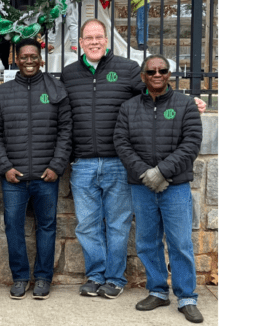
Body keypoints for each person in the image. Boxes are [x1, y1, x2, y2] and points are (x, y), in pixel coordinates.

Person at [61, 19, 206, 300]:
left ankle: (115, 278)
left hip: (118, 161)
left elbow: (157, 89)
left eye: (99, 37)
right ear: (81, 42)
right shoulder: (69, 74)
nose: (94, 42)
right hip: (83, 163)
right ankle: (95, 275)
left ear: (106, 40)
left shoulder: (127, 69)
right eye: (88, 38)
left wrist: (191, 100)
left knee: (118, 224)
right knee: (87, 225)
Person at [113, 54, 204, 323]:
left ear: (169, 75)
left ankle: (186, 297)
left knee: (180, 243)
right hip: (142, 187)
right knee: (147, 242)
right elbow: (121, 142)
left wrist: (162, 172)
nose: (156, 74)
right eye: (151, 71)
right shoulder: (129, 107)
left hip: (174, 187)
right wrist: (145, 174)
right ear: (143, 76)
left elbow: (191, 144)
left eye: (162, 70)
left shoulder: (185, 105)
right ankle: (157, 291)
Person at [0, 38, 72, 300]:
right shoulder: (3, 92)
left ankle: (44, 278)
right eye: (23, 56)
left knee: (47, 226)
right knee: (13, 227)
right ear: (16, 58)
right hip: (14, 177)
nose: (28, 61)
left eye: (33, 56)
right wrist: (5, 167)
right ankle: (20, 277)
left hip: (47, 176)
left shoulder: (56, 89)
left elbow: (66, 131)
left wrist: (57, 165)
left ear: (40, 58)